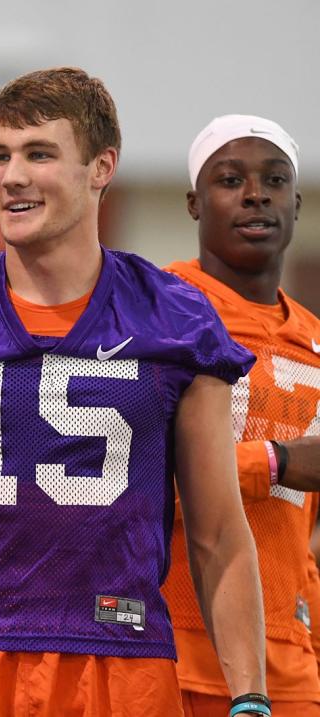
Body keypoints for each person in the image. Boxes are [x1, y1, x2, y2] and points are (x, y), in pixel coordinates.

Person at [0, 68, 270, 716]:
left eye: (39, 153)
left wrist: (250, 694)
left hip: (120, 655)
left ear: (102, 166)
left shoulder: (174, 322)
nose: (11, 175)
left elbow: (217, 531)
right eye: (0, 155)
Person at [162, 115, 320, 717]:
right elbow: (128, 483)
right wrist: (274, 462)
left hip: (288, 658)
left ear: (297, 203)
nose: (256, 194)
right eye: (231, 180)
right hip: (171, 643)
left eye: (274, 180)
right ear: (194, 203)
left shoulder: (312, 340)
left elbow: (299, 536)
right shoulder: (159, 315)